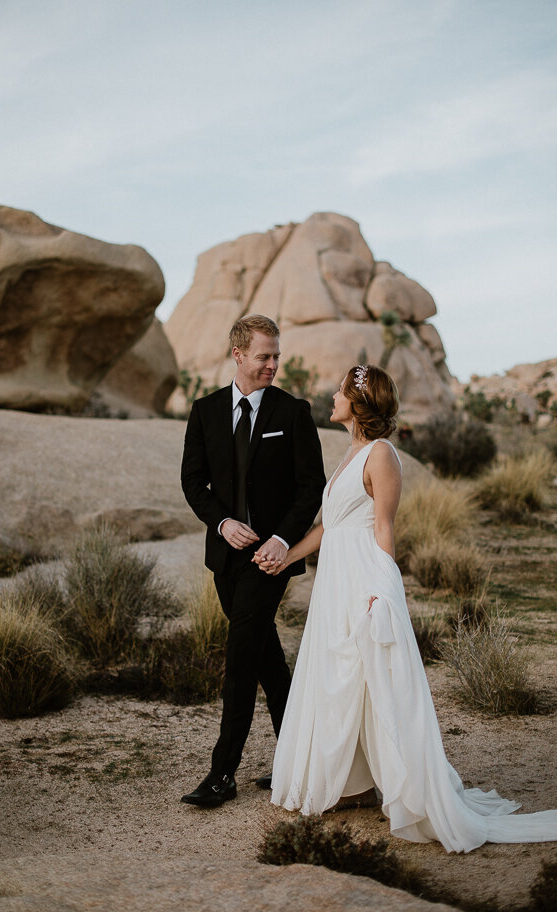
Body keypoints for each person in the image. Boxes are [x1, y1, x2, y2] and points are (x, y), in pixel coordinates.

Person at [257, 364, 557, 853]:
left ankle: (394, 787)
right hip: (335, 584)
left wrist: (383, 590)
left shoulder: (383, 455)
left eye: (341, 391)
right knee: (338, 676)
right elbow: (332, 526)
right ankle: (349, 783)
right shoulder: (350, 452)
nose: (332, 395)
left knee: (372, 680)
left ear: (359, 403)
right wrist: (287, 553)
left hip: (363, 580)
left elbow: (383, 528)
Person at [180, 314, 326, 808]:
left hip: (272, 560)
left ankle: (223, 774)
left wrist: (284, 540)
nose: (273, 365)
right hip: (226, 557)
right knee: (267, 659)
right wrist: (222, 523)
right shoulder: (204, 411)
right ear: (238, 355)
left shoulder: (294, 412)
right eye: (264, 356)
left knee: (241, 659)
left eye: (276, 356)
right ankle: (298, 758)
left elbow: (311, 487)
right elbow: (192, 482)